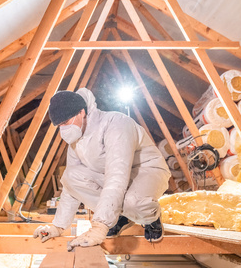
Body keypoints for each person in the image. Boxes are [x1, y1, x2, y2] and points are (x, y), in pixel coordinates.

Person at [33, 88, 171, 250]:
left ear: (81, 112)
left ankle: (151, 218)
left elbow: (117, 175)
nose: (63, 129)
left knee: (134, 203)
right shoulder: (76, 142)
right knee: (71, 176)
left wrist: (100, 226)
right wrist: (57, 226)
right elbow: (71, 187)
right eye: (59, 126)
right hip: (112, 176)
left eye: (65, 122)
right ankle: (121, 216)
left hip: (146, 170)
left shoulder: (116, 124)